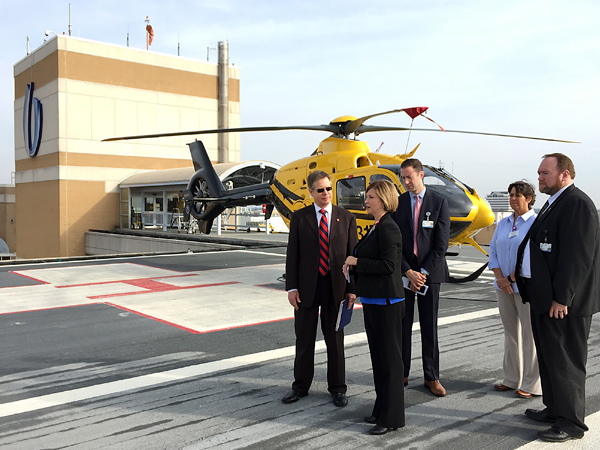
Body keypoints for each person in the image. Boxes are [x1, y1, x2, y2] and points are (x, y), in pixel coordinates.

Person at [516, 153, 600, 442]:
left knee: (566, 362)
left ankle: (571, 423)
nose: (539, 178)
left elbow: (577, 258)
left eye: (545, 173)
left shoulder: (577, 204)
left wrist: (562, 298)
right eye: (539, 173)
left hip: (564, 305)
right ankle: (554, 409)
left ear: (564, 174)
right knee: (550, 359)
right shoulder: (554, 203)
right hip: (544, 300)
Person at [283, 170, 358, 407]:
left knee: (335, 339)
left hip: (335, 288)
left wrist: (351, 289)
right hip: (306, 288)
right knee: (304, 339)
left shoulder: (346, 217)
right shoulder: (300, 217)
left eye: (328, 189)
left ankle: (338, 388)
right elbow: (292, 255)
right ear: (310, 192)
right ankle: (300, 386)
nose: (326, 194)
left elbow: (352, 256)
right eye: (320, 190)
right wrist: (292, 287)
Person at [343, 180, 405, 435]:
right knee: (379, 361)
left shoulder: (389, 228)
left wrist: (357, 260)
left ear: (384, 199)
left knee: (390, 362)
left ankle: (392, 418)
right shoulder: (376, 227)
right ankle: (381, 409)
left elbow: (390, 265)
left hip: (387, 303)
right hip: (373, 301)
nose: (366, 200)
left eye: (370, 197)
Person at [392, 158, 450, 397]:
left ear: (421, 174)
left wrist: (422, 274)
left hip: (429, 274)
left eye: (409, 177)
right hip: (405, 273)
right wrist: (408, 271)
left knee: (429, 327)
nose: (406, 182)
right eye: (403, 178)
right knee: (403, 325)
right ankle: (402, 371)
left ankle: (431, 376)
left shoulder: (439, 202)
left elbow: (441, 245)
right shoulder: (399, 203)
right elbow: (395, 243)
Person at [489, 180, 541, 399]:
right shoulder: (503, 223)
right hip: (503, 287)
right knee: (510, 334)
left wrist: (511, 279)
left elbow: (532, 256)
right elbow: (493, 251)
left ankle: (532, 384)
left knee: (530, 335)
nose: (512, 199)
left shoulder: (535, 222)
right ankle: (511, 379)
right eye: (510, 195)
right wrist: (501, 279)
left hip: (525, 287)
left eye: (517, 196)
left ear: (528, 199)